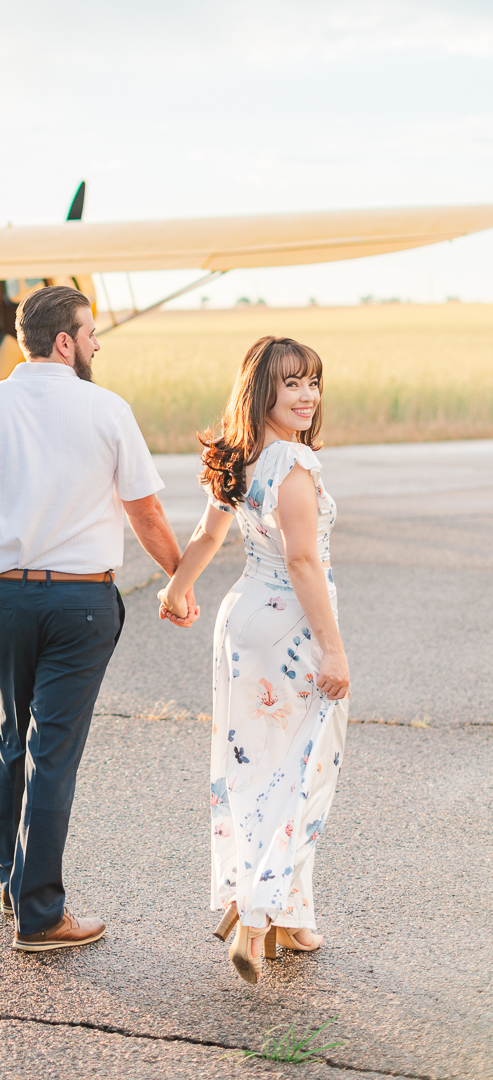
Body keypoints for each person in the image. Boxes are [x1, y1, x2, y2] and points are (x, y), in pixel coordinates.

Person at [0, 283, 197, 952]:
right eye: (91, 331)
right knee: (53, 754)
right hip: (80, 604)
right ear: (66, 341)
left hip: (6, 598)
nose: (98, 342)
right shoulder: (107, 409)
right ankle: (41, 915)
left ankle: (12, 879)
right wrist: (180, 579)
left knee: (15, 735)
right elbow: (146, 513)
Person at [159, 336, 350, 986]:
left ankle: (276, 912)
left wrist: (178, 587)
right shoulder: (294, 463)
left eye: (313, 383)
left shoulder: (239, 458)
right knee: (302, 771)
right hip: (290, 629)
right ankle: (261, 915)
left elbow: (207, 534)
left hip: (241, 624)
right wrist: (334, 647)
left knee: (254, 771)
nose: (307, 396)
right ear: (262, 391)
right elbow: (301, 561)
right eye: (291, 384)